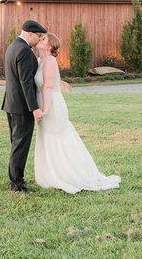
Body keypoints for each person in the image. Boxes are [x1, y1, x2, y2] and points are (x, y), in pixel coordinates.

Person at [33, 33, 121, 194]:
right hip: (44, 102)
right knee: (47, 139)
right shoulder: (40, 61)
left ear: (51, 46)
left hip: (52, 105)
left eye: (44, 39)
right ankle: (53, 174)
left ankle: (70, 175)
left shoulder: (50, 61)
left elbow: (47, 87)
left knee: (61, 139)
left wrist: (44, 109)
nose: (40, 39)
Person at [2, 19, 47, 193]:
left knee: (16, 143)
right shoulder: (24, 51)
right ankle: (17, 183)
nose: (39, 38)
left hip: (11, 104)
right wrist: (34, 108)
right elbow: (26, 83)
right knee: (21, 144)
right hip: (22, 107)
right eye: (38, 35)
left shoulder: (13, 47)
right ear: (30, 33)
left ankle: (15, 178)